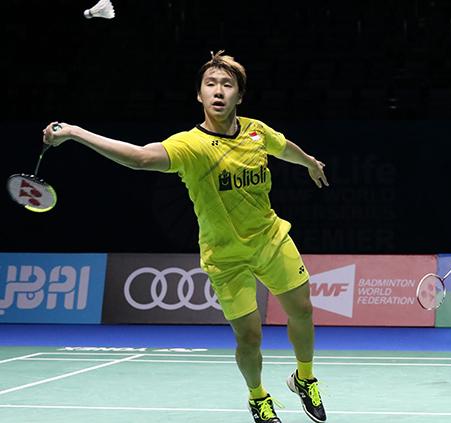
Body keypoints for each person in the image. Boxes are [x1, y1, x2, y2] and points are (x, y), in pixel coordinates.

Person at [43, 51, 328, 423]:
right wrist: (77, 133)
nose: (219, 91)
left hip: (270, 239)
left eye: (227, 85)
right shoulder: (189, 146)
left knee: (303, 310)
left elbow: (282, 145)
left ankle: (304, 378)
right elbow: (141, 158)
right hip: (225, 256)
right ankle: (258, 397)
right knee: (250, 338)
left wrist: (308, 161)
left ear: (239, 96)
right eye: (211, 84)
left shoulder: (256, 131)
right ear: (199, 94)